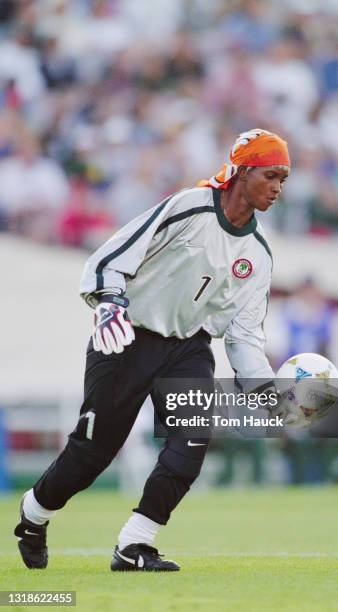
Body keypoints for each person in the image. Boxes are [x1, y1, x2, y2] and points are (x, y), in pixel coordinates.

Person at [14, 128, 291, 571]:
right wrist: (108, 301)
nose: (278, 188)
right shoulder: (188, 206)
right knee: (91, 456)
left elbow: (244, 335)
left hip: (188, 348)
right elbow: (111, 256)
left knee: (192, 442)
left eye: (284, 179)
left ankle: (134, 545)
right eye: (271, 175)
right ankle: (34, 514)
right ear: (241, 171)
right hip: (128, 336)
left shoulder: (258, 253)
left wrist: (265, 391)